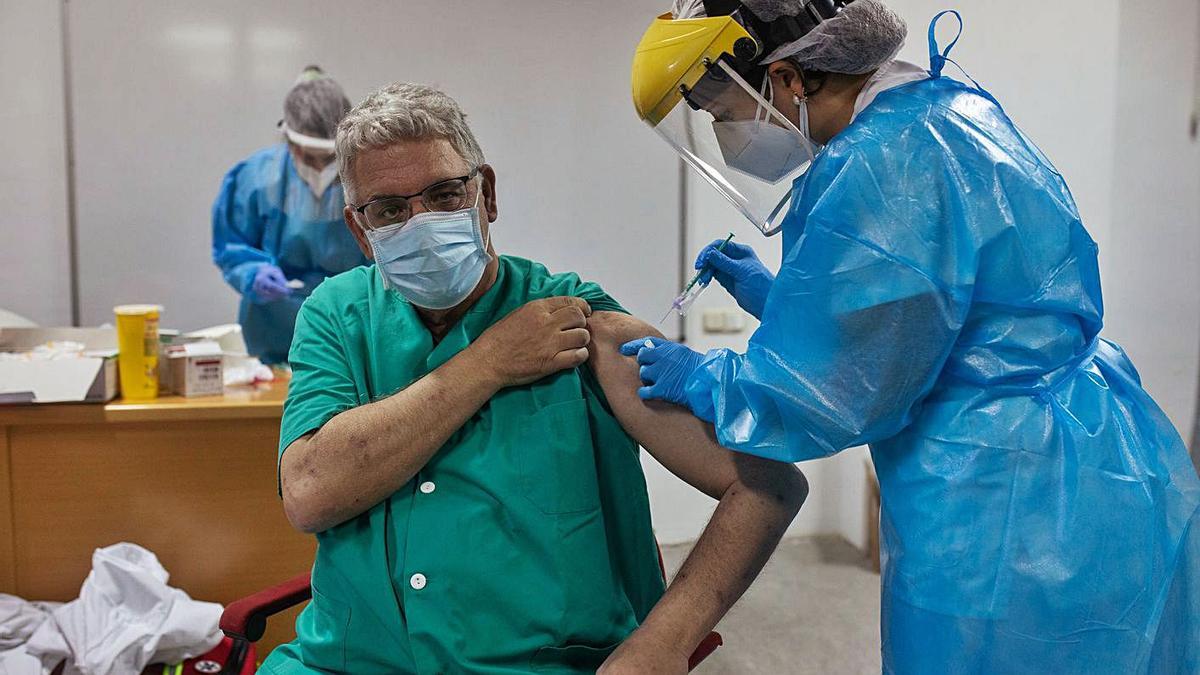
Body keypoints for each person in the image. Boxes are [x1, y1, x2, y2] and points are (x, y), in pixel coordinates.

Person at [624, 1, 1200, 672]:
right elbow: (930, 316)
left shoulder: (878, 163)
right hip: (1107, 456)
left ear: (785, 79)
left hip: (1003, 504)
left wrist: (704, 378)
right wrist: (778, 300)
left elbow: (826, 398)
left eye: (724, 112)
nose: (728, 132)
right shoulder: (944, 109)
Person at [263, 82, 807, 674]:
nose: (421, 223)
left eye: (445, 194)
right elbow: (311, 493)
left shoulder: (581, 324)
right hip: (349, 662)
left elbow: (766, 489)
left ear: (486, 194)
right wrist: (488, 363)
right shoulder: (336, 316)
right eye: (390, 210)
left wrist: (664, 642)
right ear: (360, 230)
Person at [212, 66, 367, 364]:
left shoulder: (366, 177)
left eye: (330, 158)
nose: (321, 169)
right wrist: (253, 274)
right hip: (275, 330)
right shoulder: (254, 179)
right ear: (288, 140)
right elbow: (232, 247)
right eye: (310, 158)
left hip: (353, 326)